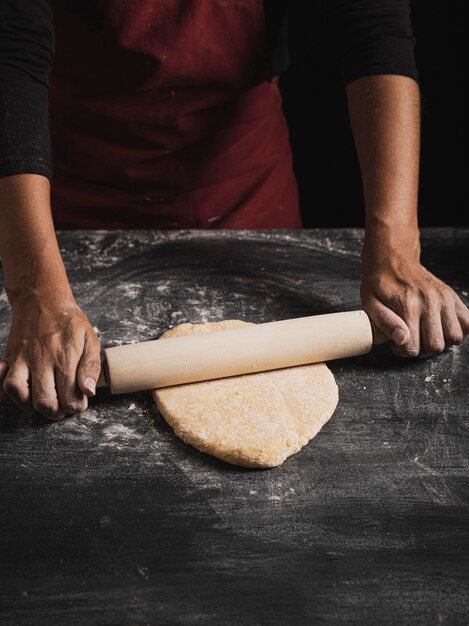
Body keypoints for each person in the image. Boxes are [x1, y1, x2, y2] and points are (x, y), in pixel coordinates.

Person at [0, 1, 467, 420]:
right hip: (63, 196)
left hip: (243, 175)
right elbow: (12, 52)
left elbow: (373, 24)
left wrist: (398, 246)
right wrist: (35, 288)